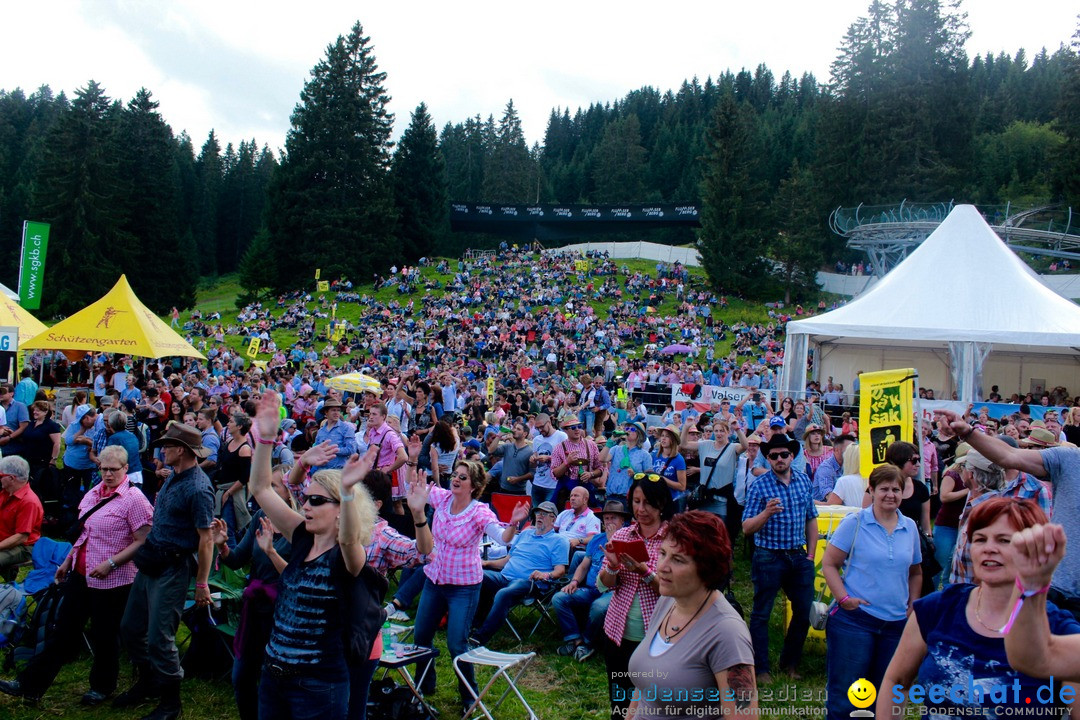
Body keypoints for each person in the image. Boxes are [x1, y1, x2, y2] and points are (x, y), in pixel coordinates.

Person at [876, 497, 1080, 719]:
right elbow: (896, 681)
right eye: (980, 539)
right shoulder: (938, 608)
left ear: (1034, 550)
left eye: (1004, 540)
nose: (989, 549)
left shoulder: (1059, 630)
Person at [246, 391, 384, 720]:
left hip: (318, 685)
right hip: (273, 674)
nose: (305, 506)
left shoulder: (348, 556)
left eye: (317, 501)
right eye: (306, 499)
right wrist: (266, 439)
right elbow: (261, 489)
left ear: (339, 511)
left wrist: (349, 492)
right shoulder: (302, 538)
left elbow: (350, 539)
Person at [0, 446, 152, 704]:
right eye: (103, 468)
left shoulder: (135, 499)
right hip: (81, 573)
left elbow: (143, 540)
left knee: (104, 635)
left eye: (113, 469)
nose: (107, 474)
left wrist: (111, 563)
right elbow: (85, 533)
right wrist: (68, 560)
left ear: (126, 469)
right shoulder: (94, 492)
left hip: (113, 580)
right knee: (62, 632)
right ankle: (31, 686)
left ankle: (102, 687)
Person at [115, 422, 215, 720]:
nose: (162, 450)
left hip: (172, 568)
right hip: (151, 561)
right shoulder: (174, 475)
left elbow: (206, 538)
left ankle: (171, 704)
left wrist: (201, 583)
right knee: (131, 628)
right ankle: (148, 683)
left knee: (160, 637)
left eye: (167, 446)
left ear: (182, 450)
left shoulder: (199, 488)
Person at [626, 511, 757, 719]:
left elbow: (744, 715)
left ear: (706, 568)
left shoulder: (727, 632)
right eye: (662, 553)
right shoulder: (668, 601)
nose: (662, 567)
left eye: (677, 560)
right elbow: (644, 687)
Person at [412, 457, 519, 707]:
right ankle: (424, 688)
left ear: (474, 485)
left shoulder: (479, 511)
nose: (456, 479)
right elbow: (416, 491)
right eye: (455, 475)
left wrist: (513, 524)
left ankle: (470, 697)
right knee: (421, 636)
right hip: (435, 579)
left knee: (456, 644)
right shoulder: (443, 499)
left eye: (463, 477)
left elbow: (502, 538)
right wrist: (412, 462)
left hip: (464, 586)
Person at [822, 464, 923, 720]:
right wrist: (844, 599)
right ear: (872, 490)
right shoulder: (855, 523)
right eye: (884, 489)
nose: (890, 494)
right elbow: (830, 563)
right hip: (855, 621)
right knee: (848, 696)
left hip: (896, 624)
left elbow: (915, 571)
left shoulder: (909, 527)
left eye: (896, 489)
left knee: (886, 695)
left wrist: (913, 603)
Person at [211, 463, 295, 720]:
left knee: (277, 684)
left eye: (274, 486)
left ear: (290, 493)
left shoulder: (301, 529)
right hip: (256, 610)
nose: (266, 491)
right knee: (241, 677)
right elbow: (237, 559)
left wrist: (271, 551)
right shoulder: (260, 516)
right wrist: (223, 546)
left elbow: (298, 577)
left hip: (285, 613)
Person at [742, 432, 818, 684]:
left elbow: (811, 518)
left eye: (784, 454)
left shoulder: (803, 481)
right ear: (768, 459)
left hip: (798, 557)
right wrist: (766, 513)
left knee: (804, 610)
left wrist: (811, 554)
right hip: (768, 557)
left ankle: (790, 662)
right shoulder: (759, 485)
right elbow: (746, 527)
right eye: (773, 456)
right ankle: (761, 668)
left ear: (792, 455)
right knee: (762, 613)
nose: (779, 459)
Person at [598, 474, 673, 719]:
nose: (641, 509)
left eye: (648, 503)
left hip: (658, 635)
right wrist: (612, 567)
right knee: (620, 699)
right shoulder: (622, 536)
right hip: (618, 631)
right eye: (636, 501)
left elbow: (672, 590)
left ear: (661, 504)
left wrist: (644, 571)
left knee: (654, 702)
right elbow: (603, 585)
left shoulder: (673, 539)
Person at [471, 500, 569, 645]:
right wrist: (486, 563)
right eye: (537, 513)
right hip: (504, 577)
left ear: (553, 518)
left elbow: (560, 571)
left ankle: (479, 638)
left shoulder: (559, 541)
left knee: (504, 593)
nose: (539, 516)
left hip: (529, 582)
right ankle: (473, 624)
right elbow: (507, 559)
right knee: (477, 576)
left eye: (544, 514)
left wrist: (545, 575)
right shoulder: (525, 535)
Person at [553, 498, 629, 662]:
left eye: (613, 518)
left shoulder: (628, 540)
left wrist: (612, 540)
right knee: (559, 598)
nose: (608, 522)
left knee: (598, 607)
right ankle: (574, 639)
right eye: (606, 518)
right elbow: (584, 566)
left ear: (622, 521)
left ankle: (587, 643)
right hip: (590, 589)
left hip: (613, 591)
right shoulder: (596, 539)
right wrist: (573, 582)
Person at [0, 455, 43, 580]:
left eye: (1, 476)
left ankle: (8, 591)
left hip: (23, 547)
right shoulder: (5, 492)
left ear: (11, 478)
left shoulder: (28, 501)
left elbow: (20, 537)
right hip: (5, 539)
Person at [599, 421, 652, 506]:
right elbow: (601, 459)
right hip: (611, 496)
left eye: (632, 429)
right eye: (627, 428)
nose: (629, 431)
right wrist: (611, 440)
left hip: (629, 499)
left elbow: (649, 479)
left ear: (639, 434)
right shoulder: (615, 449)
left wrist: (636, 475)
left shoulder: (645, 455)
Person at [20, 399, 62, 494]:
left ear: (45, 411)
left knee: (40, 484)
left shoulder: (52, 426)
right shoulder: (31, 424)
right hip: (29, 459)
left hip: (42, 460)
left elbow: (57, 443)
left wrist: (53, 459)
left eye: (38, 410)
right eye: (34, 410)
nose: (34, 412)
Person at [528, 412, 567, 506]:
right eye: (538, 428)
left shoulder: (561, 436)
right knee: (535, 514)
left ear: (549, 423)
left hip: (553, 484)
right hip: (537, 483)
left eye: (542, 427)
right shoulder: (537, 439)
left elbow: (567, 460)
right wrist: (533, 459)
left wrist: (549, 458)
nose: (540, 430)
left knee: (548, 514)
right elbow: (534, 465)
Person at [486, 420, 532, 495]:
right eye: (515, 428)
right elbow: (491, 451)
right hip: (503, 489)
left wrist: (518, 479)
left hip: (519, 492)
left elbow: (532, 473)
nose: (514, 430)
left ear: (525, 434)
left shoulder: (529, 452)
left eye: (518, 429)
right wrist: (499, 435)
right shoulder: (507, 447)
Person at [652, 424, 688, 507]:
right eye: (662, 435)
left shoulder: (679, 459)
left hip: (670, 501)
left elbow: (682, 486)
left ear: (673, 439)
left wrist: (662, 479)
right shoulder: (654, 455)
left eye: (667, 436)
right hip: (654, 499)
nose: (663, 438)